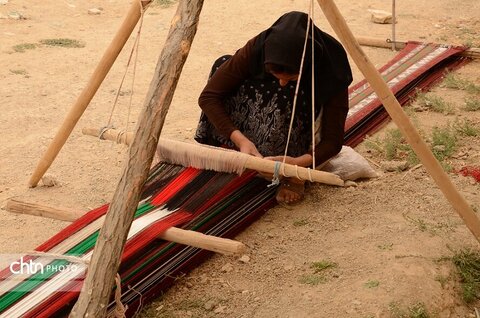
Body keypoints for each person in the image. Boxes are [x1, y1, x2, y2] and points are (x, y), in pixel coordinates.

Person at [195, 11, 353, 204]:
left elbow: (333, 141)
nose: (283, 82)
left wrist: (296, 164)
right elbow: (209, 97)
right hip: (252, 126)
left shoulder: (331, 66)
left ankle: (292, 175)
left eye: (291, 77)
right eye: (276, 74)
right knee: (222, 64)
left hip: (295, 133)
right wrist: (241, 140)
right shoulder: (260, 47)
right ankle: (234, 148)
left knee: (288, 92)